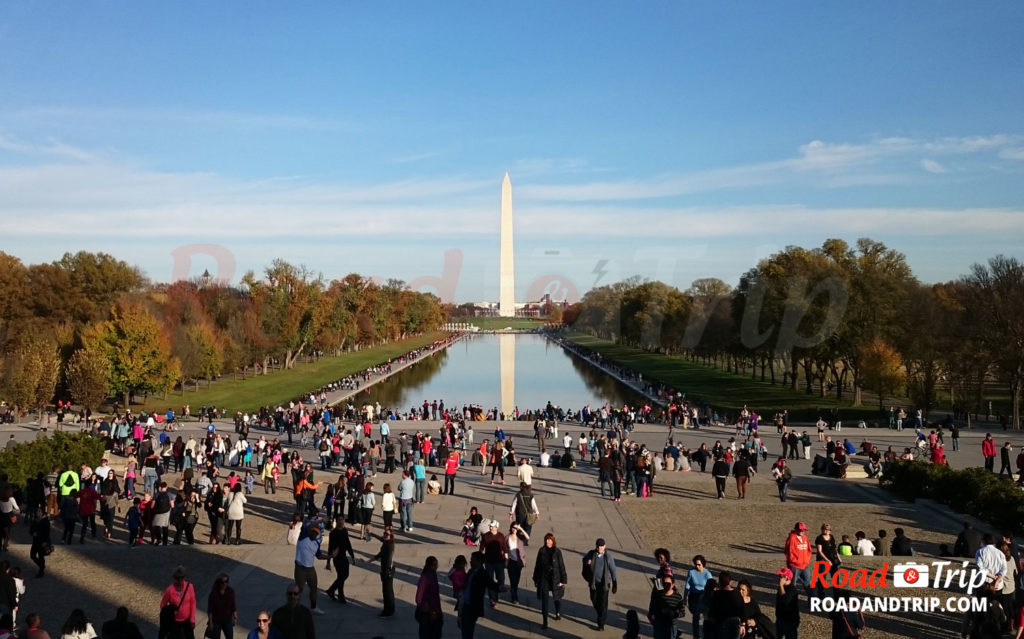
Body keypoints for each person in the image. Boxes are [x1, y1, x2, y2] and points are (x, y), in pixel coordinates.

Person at [533, 532, 568, 629]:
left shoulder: (557, 552)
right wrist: (535, 578)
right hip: (544, 578)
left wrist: (564, 580)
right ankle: (545, 622)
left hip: (555, 578)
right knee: (544, 600)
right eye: (547, 540)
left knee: (557, 598)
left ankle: (557, 612)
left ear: (553, 541)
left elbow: (561, 566)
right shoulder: (541, 551)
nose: (548, 542)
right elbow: (537, 565)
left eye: (550, 540)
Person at [583, 538, 618, 631]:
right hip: (594, 583)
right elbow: (584, 559)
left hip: (604, 584)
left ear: (605, 546)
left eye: (601, 546)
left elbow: (613, 570)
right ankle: (601, 614)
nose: (600, 548)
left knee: (603, 603)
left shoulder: (608, 557)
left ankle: (601, 623)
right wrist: (587, 562)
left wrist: (615, 584)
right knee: (594, 599)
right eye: (598, 546)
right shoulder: (591, 554)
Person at [293, 523, 325, 615]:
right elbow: (308, 526)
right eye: (313, 532)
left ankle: (314, 606)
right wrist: (321, 520)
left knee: (314, 588)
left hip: (310, 569)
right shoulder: (302, 537)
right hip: (300, 568)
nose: (315, 534)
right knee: (299, 590)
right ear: (310, 532)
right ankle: (295, 609)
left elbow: (319, 556)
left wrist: (331, 556)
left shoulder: (316, 543)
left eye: (317, 533)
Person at [158, 566, 196, 639]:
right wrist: (170, 613)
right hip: (175, 622)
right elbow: (163, 605)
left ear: (184, 577)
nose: (180, 580)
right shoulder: (169, 590)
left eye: (182, 577)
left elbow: (193, 603)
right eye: (177, 578)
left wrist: (192, 620)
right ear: (174, 578)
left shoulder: (190, 587)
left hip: (187, 620)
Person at [325, 517, 356, 604]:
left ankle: (331, 590)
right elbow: (330, 548)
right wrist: (328, 562)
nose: (342, 522)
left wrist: (352, 556)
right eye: (340, 520)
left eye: (343, 520)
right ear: (337, 522)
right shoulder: (333, 533)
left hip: (344, 556)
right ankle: (340, 595)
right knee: (341, 576)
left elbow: (348, 543)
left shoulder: (345, 531)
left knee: (345, 575)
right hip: (337, 558)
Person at [457, 552, 487, 639]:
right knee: (464, 629)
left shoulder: (482, 574)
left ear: (479, 562)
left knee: (468, 630)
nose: (470, 561)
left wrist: (499, 588)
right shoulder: (471, 571)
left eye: (472, 560)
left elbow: (490, 583)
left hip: (472, 607)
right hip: (464, 605)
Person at [480, 520, 509, 608]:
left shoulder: (500, 536)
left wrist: (506, 560)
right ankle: (492, 599)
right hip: (488, 561)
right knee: (490, 580)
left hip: (499, 562)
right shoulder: (486, 536)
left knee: (501, 579)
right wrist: (480, 557)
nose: (490, 527)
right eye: (490, 526)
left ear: (497, 527)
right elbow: (481, 547)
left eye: (492, 526)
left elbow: (505, 548)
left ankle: (497, 592)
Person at [368, 526, 396, 617]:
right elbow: (380, 538)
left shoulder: (387, 546)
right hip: (390, 570)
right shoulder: (390, 542)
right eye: (384, 533)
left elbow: (378, 556)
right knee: (390, 591)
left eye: (387, 534)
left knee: (386, 592)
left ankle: (386, 611)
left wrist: (367, 561)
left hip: (386, 571)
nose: (384, 535)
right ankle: (391, 608)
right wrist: (371, 533)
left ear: (390, 536)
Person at [648, 573, 685, 639]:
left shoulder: (678, 597)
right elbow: (652, 608)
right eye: (664, 583)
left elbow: (682, 612)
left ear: (673, 585)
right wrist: (654, 615)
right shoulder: (658, 595)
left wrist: (673, 614)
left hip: (671, 625)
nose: (666, 585)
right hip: (659, 624)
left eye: (668, 584)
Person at [415, 556, 444, 639]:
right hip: (427, 613)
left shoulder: (433, 575)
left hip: (435, 611)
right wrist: (427, 608)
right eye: (435, 564)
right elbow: (418, 598)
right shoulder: (425, 578)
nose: (436, 566)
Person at [684, 555, 712, 639]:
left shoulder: (707, 574)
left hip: (703, 597)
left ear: (703, 564)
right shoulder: (691, 572)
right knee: (695, 617)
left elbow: (711, 586)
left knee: (706, 617)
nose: (697, 566)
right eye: (696, 564)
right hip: (693, 596)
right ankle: (696, 636)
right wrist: (685, 597)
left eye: (699, 565)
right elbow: (687, 585)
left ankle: (706, 634)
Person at [784, 522, 813, 596]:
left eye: (803, 530)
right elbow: (788, 551)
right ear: (796, 529)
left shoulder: (805, 538)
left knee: (808, 584)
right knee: (792, 584)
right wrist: (794, 561)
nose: (802, 532)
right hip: (795, 566)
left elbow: (809, 550)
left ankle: (812, 602)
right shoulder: (792, 538)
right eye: (800, 530)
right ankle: (790, 600)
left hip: (805, 565)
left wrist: (807, 560)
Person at [206, 574, 237, 639]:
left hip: (227, 619)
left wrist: (235, 617)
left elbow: (233, 606)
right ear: (219, 583)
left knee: (230, 637)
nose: (224, 584)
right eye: (222, 582)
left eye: (226, 581)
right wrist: (210, 622)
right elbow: (210, 610)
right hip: (216, 621)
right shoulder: (213, 594)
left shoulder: (230, 591)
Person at [506, 522, 530, 604]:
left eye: (516, 528)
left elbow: (528, 537)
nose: (514, 529)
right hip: (511, 561)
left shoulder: (520, 537)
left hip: (519, 562)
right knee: (513, 580)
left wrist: (521, 529)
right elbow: (504, 548)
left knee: (517, 579)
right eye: (513, 527)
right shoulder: (507, 537)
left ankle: (513, 591)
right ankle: (514, 597)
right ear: (511, 528)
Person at [775, 568, 800, 639]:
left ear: (787, 578)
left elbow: (785, 600)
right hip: (780, 619)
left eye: (781, 576)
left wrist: (781, 586)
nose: (779, 578)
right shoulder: (781, 587)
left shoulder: (792, 589)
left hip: (790, 621)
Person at [29, 507, 51, 578]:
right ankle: (42, 566)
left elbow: (46, 533)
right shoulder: (35, 521)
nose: (37, 513)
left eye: (39, 511)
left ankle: (41, 571)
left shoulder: (45, 521)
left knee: (41, 556)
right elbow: (30, 530)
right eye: (37, 511)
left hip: (42, 542)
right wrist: (33, 533)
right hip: (35, 542)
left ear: (42, 513)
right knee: (32, 555)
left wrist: (45, 542)